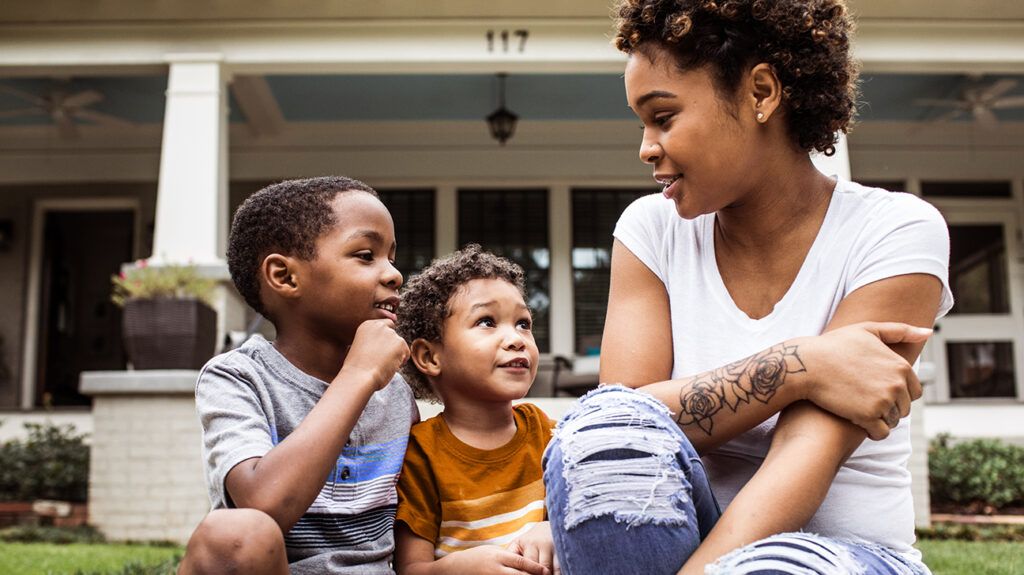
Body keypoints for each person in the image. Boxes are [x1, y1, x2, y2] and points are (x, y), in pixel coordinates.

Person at [543, 1, 953, 574]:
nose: (646, 147)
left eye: (663, 117)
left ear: (760, 92)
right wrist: (800, 364)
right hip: (677, 538)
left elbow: (801, 460)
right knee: (600, 432)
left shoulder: (895, 231)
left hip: (845, 556)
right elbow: (624, 426)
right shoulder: (650, 230)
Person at [178, 176, 415, 574]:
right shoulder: (238, 378)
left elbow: (416, 533)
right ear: (285, 277)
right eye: (365, 255)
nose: (393, 275)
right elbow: (262, 504)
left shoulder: (394, 392)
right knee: (233, 533)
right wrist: (358, 376)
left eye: (391, 256)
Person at [393, 245, 558, 575]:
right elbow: (412, 569)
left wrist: (554, 527)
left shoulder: (548, 434)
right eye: (487, 322)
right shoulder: (420, 454)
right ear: (429, 357)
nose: (516, 338)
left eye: (523, 323)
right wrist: (461, 568)